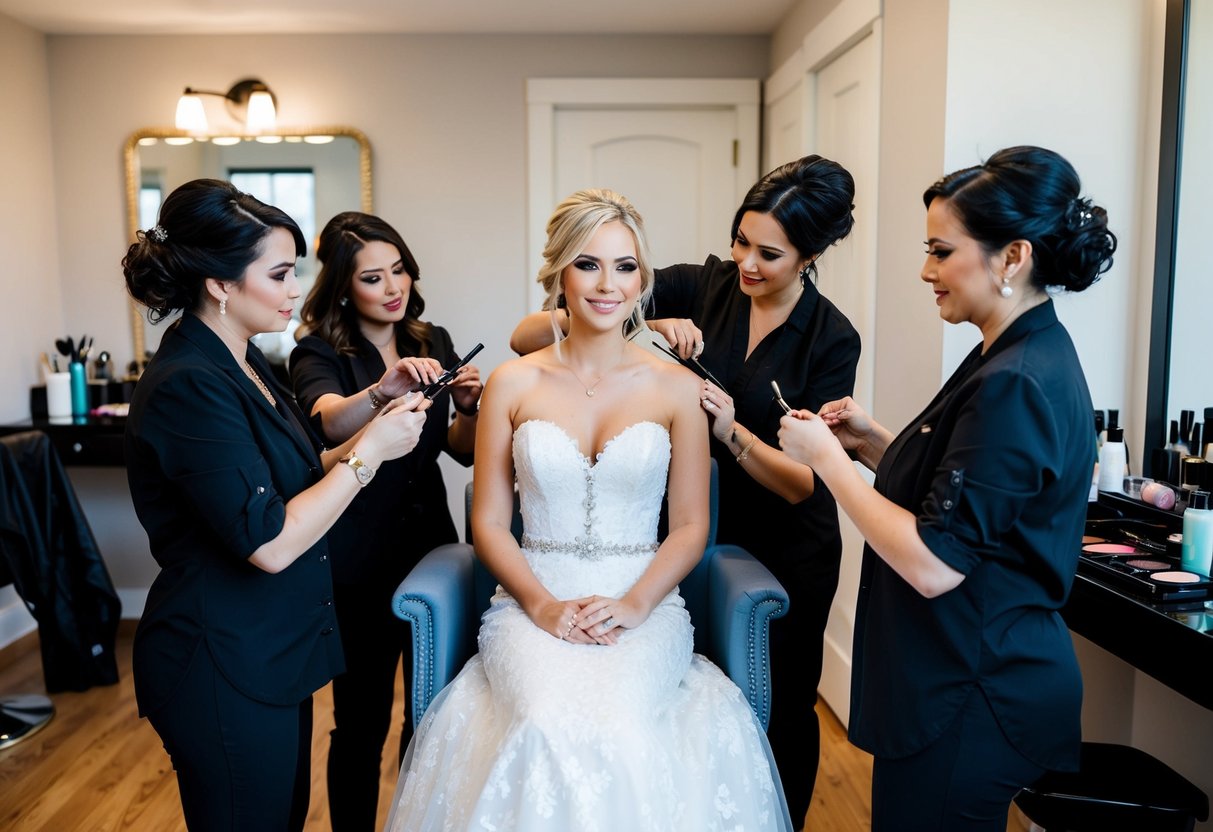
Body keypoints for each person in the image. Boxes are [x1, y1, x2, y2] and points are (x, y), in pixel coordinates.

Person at [385, 188, 792, 831]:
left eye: (625, 266)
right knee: (545, 721)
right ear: (558, 275)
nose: (608, 285)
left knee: (624, 724)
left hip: (645, 601)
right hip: (530, 599)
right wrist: (543, 606)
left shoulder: (679, 389)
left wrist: (634, 605)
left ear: (643, 278)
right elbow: (490, 522)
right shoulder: (512, 383)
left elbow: (689, 526)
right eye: (588, 264)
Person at [510, 155, 860, 825]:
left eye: (768, 253)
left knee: (780, 706)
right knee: (678, 711)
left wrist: (733, 434)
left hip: (785, 541)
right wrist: (645, 324)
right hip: (679, 528)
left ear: (809, 255)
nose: (746, 263)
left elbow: (802, 484)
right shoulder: (701, 285)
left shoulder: (830, 337)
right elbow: (533, 330)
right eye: (739, 242)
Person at [776, 145, 1116, 831]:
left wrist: (827, 464)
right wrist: (871, 443)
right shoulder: (1016, 349)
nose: (925, 271)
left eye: (940, 250)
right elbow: (970, 491)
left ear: (1011, 257)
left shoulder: (1015, 380)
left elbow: (934, 562)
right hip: (969, 673)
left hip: (975, 690)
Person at [123, 179, 431, 832]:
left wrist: (374, 401)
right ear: (220, 284)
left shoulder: (247, 365)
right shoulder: (188, 387)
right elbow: (270, 542)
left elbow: (297, 474)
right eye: (281, 273)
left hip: (266, 653)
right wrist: (371, 452)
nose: (296, 290)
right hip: (218, 661)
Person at [289, 211, 481, 832]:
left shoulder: (433, 340)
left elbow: (460, 448)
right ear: (345, 286)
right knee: (362, 721)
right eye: (374, 277)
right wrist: (380, 392)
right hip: (357, 562)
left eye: (399, 269)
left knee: (430, 714)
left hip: (433, 553)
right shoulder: (318, 351)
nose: (393, 287)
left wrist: (472, 409)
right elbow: (327, 423)